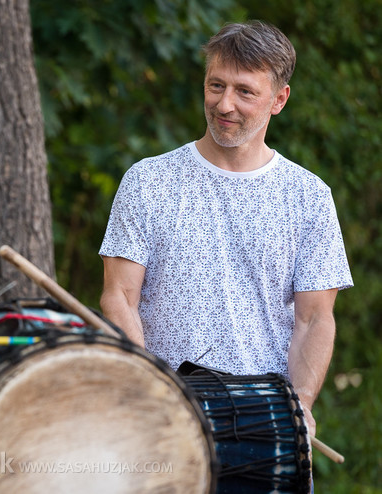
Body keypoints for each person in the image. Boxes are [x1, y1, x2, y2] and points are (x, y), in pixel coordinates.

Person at [99, 21, 353, 438]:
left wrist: (301, 406)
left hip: (265, 421)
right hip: (162, 417)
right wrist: (148, 388)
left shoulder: (310, 197)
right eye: (216, 86)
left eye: (245, 91)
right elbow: (119, 297)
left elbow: (314, 320)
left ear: (279, 99)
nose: (224, 105)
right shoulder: (148, 181)